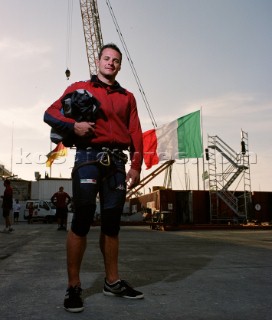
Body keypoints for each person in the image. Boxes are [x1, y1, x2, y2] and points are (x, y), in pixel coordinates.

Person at [44, 43, 144, 313]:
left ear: (119, 66)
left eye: (116, 60)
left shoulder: (128, 97)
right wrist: (72, 125)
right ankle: (74, 286)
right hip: (88, 157)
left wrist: (136, 165)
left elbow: (136, 132)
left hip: (117, 164)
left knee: (112, 223)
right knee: (83, 218)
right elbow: (49, 113)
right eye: (107, 58)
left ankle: (112, 282)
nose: (111, 63)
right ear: (98, 62)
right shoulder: (80, 88)